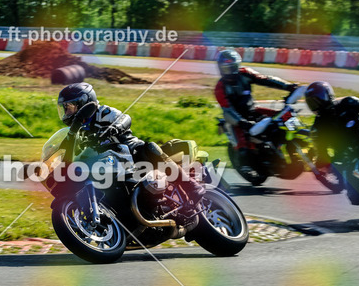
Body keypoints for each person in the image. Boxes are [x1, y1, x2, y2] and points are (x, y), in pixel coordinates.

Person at [57, 82, 205, 206]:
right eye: (65, 108)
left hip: (129, 149)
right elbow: (70, 147)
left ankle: (190, 185)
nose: (67, 112)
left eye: (70, 107)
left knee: (149, 148)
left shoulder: (103, 112)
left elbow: (125, 118)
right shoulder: (78, 129)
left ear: (84, 102)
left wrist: (115, 127)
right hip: (105, 160)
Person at [214, 50, 298, 164]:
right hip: (236, 120)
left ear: (237, 66)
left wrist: (288, 86)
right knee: (243, 150)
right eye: (225, 69)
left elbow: (266, 80)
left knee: (283, 117)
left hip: (252, 110)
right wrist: (242, 123)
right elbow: (227, 110)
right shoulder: (220, 88)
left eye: (231, 68)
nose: (229, 72)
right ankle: (248, 165)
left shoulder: (245, 73)